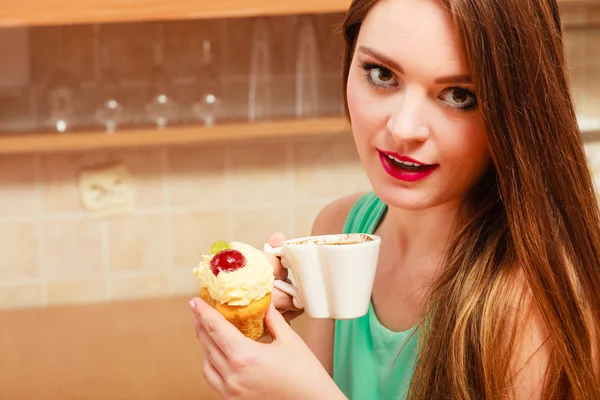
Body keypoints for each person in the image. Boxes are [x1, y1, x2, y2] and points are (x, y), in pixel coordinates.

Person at [189, 0, 600, 398]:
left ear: (517, 112)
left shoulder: (534, 296)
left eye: (459, 95)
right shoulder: (337, 229)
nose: (404, 129)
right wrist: (268, 343)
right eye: (382, 74)